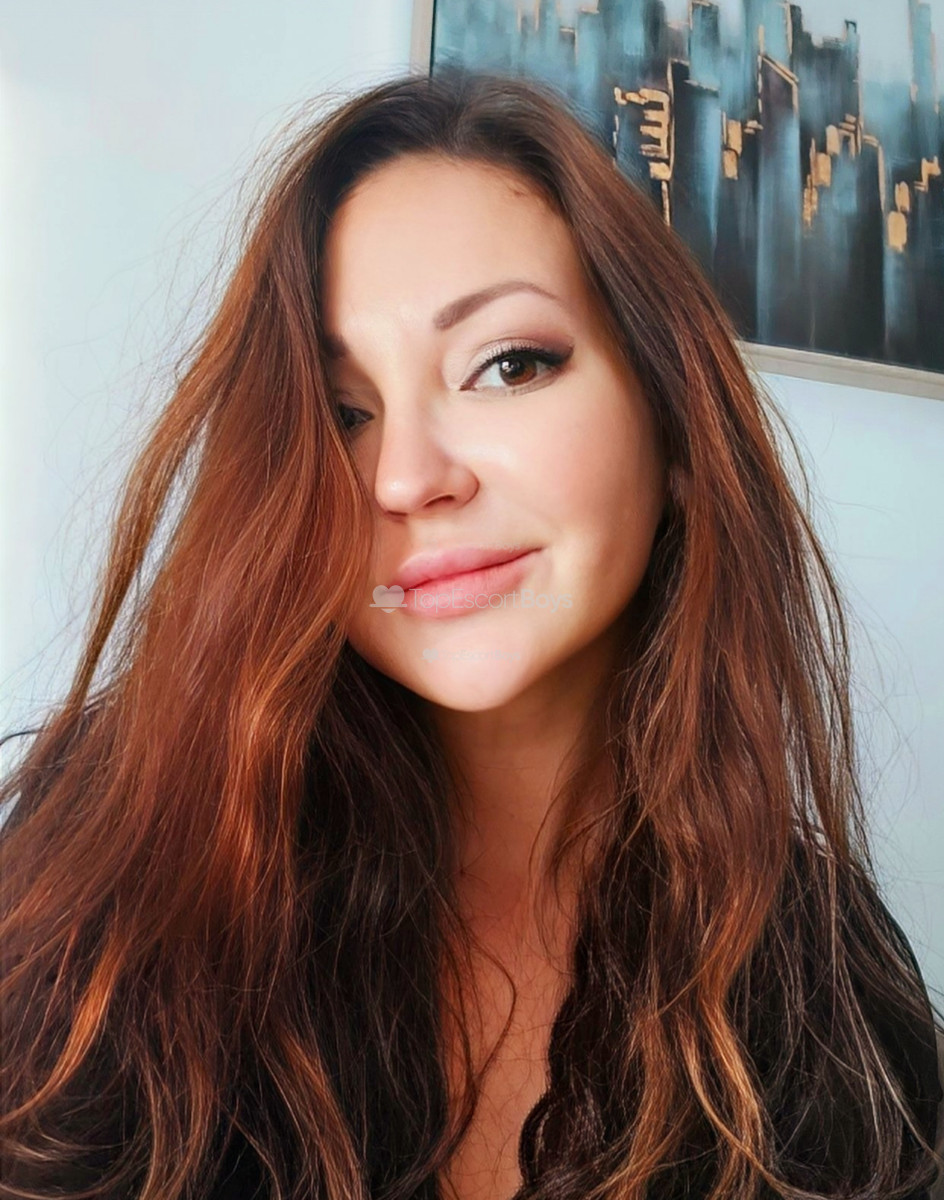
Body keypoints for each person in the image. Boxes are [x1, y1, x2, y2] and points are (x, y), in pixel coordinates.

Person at [0, 66, 941, 1200]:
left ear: (673, 421)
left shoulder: (820, 965)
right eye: (342, 414)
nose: (405, 478)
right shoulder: (113, 866)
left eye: (506, 365)